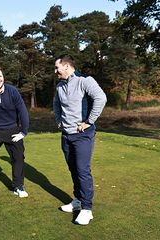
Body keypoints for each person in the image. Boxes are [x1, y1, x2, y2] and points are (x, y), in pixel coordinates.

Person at [53, 55, 107, 225]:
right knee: (73, 169)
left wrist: (89, 121)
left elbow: (101, 98)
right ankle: (77, 200)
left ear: (67, 66)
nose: (55, 71)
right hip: (66, 135)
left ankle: (86, 209)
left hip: (83, 135)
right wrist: (58, 119)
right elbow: (56, 104)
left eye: (57, 68)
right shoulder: (60, 86)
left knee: (82, 170)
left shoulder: (85, 80)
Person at [0, 67, 30, 202]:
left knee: (18, 157)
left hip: (12, 129)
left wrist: (23, 132)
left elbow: (22, 111)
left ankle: (18, 186)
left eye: (0, 76)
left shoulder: (13, 91)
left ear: (3, 77)